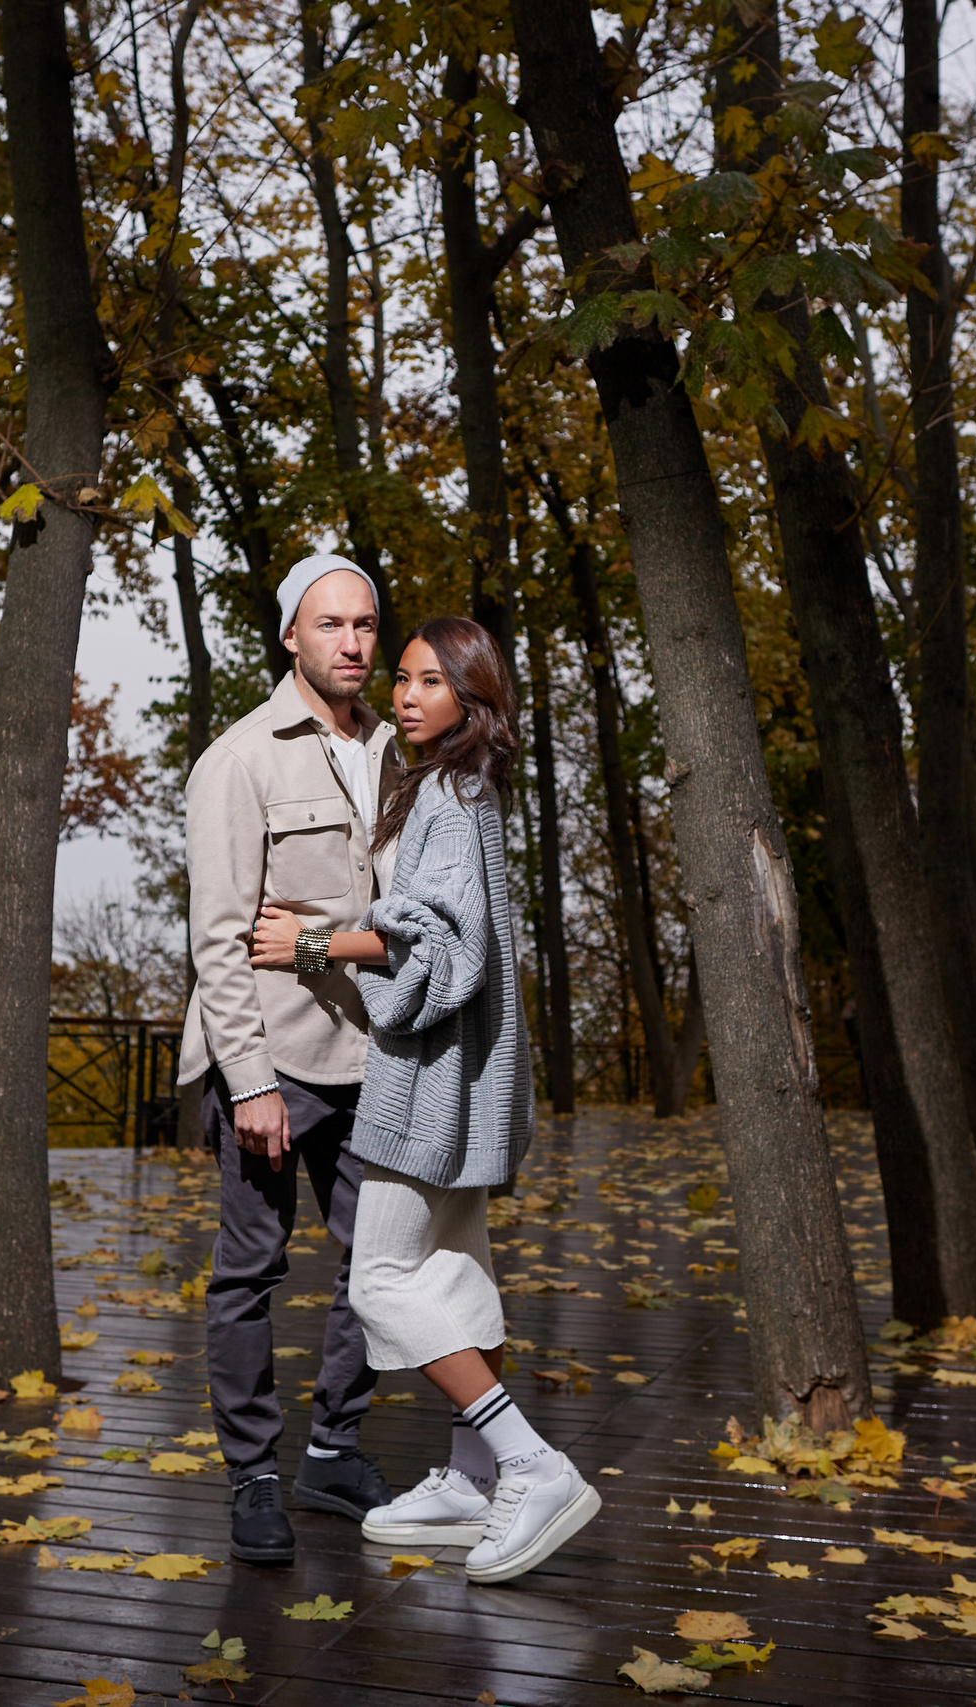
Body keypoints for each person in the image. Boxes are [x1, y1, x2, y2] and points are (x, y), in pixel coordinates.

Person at [250, 615, 596, 1587]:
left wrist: (312, 944)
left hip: (431, 1078)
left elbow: (441, 942)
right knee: (455, 1267)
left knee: (382, 1281)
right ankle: (472, 1478)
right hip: (462, 1072)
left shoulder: (450, 792)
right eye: (401, 679)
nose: (406, 695)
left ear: (473, 698)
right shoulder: (459, 787)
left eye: (430, 682)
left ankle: (529, 1462)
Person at [180, 553, 398, 1565]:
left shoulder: (402, 755)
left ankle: (333, 1450)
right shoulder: (241, 759)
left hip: (380, 1057)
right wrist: (250, 1080)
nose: (352, 643)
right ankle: (253, 1475)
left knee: (379, 1268)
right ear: (289, 638)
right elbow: (220, 938)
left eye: (364, 624)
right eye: (330, 626)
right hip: (278, 1059)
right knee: (250, 1271)